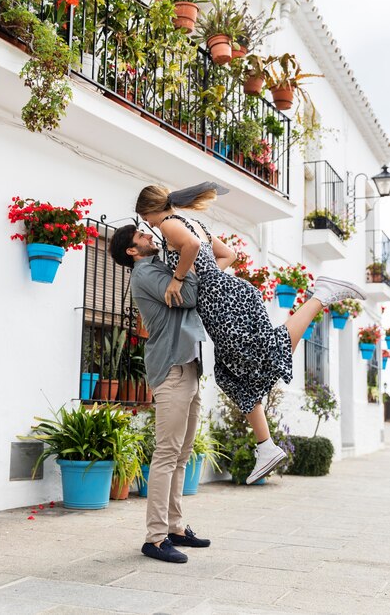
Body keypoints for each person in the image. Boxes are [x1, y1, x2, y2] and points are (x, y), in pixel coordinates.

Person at [135, 182, 366, 485]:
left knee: (263, 354)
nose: (148, 224)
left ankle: (320, 295)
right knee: (230, 374)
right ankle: (266, 446)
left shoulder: (168, 224)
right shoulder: (193, 222)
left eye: (145, 218)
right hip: (228, 296)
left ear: (151, 210)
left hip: (223, 304)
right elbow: (228, 254)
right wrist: (204, 275)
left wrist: (180, 279)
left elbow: (190, 247)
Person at [110, 224, 210, 564]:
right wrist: (188, 260)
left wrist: (184, 261)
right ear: (131, 251)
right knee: (167, 454)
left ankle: (175, 526)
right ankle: (155, 538)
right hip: (172, 368)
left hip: (189, 365)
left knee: (182, 455)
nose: (149, 235)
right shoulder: (144, 275)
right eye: (141, 236)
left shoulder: (161, 267)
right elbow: (191, 298)